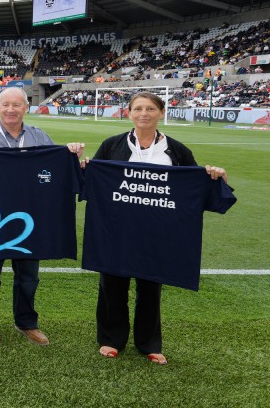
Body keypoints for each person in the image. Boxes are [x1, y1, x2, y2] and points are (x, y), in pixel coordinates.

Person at [88, 91, 228, 365]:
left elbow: (193, 187)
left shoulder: (177, 150)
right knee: (112, 286)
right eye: (138, 108)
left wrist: (215, 176)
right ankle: (111, 339)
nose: (144, 114)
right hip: (117, 230)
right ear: (129, 113)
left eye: (150, 109)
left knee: (151, 288)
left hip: (157, 233)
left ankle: (149, 343)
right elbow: (95, 182)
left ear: (161, 113)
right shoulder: (112, 145)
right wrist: (84, 166)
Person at [0, 87, 84, 346]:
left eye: (16, 105)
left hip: (31, 218)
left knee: (29, 277)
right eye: (5, 104)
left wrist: (72, 156)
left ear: (26, 108)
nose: (10, 109)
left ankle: (27, 322)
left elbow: (57, 171)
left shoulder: (40, 136)